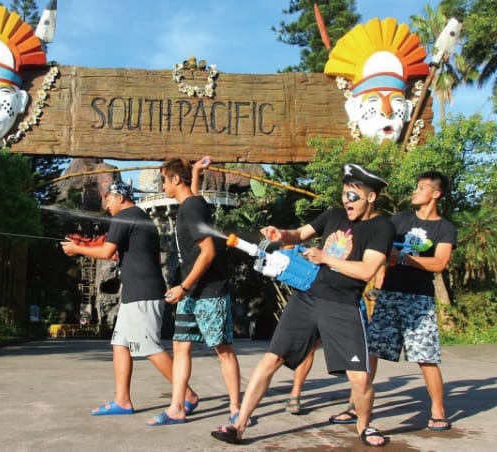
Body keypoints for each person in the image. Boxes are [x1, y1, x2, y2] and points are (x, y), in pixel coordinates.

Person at [210, 163, 395, 447]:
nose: (346, 201)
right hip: (308, 297)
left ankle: (364, 426)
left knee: (359, 378)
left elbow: (367, 270)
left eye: (353, 196)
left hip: (343, 305)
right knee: (271, 359)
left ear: (371, 197)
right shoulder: (333, 215)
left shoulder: (382, 227)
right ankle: (239, 426)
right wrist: (281, 234)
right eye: (344, 194)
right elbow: (299, 234)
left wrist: (326, 258)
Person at [60, 180, 198, 415]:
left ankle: (187, 394)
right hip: (136, 293)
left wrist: (77, 249)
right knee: (120, 344)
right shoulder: (140, 216)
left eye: (109, 200)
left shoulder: (124, 216)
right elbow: (129, 252)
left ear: (120, 197)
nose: (107, 205)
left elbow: (106, 251)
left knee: (150, 347)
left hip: (142, 294)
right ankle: (122, 400)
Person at [146, 157, 244, 426]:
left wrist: (183, 286)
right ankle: (177, 407)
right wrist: (198, 172)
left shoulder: (190, 209)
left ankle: (236, 409)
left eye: (164, 180)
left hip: (209, 290)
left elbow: (208, 252)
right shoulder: (194, 203)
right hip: (191, 292)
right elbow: (195, 196)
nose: (162, 186)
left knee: (222, 349)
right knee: (180, 346)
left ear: (176, 179)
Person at [365, 171, 456, 431]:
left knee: (426, 356)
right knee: (372, 351)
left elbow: (439, 263)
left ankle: (438, 411)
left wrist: (402, 257)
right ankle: (357, 405)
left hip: (419, 299)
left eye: (421, 187)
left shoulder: (445, 228)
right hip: (389, 294)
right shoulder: (400, 219)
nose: (415, 191)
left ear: (435, 193)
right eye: (415, 186)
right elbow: (381, 247)